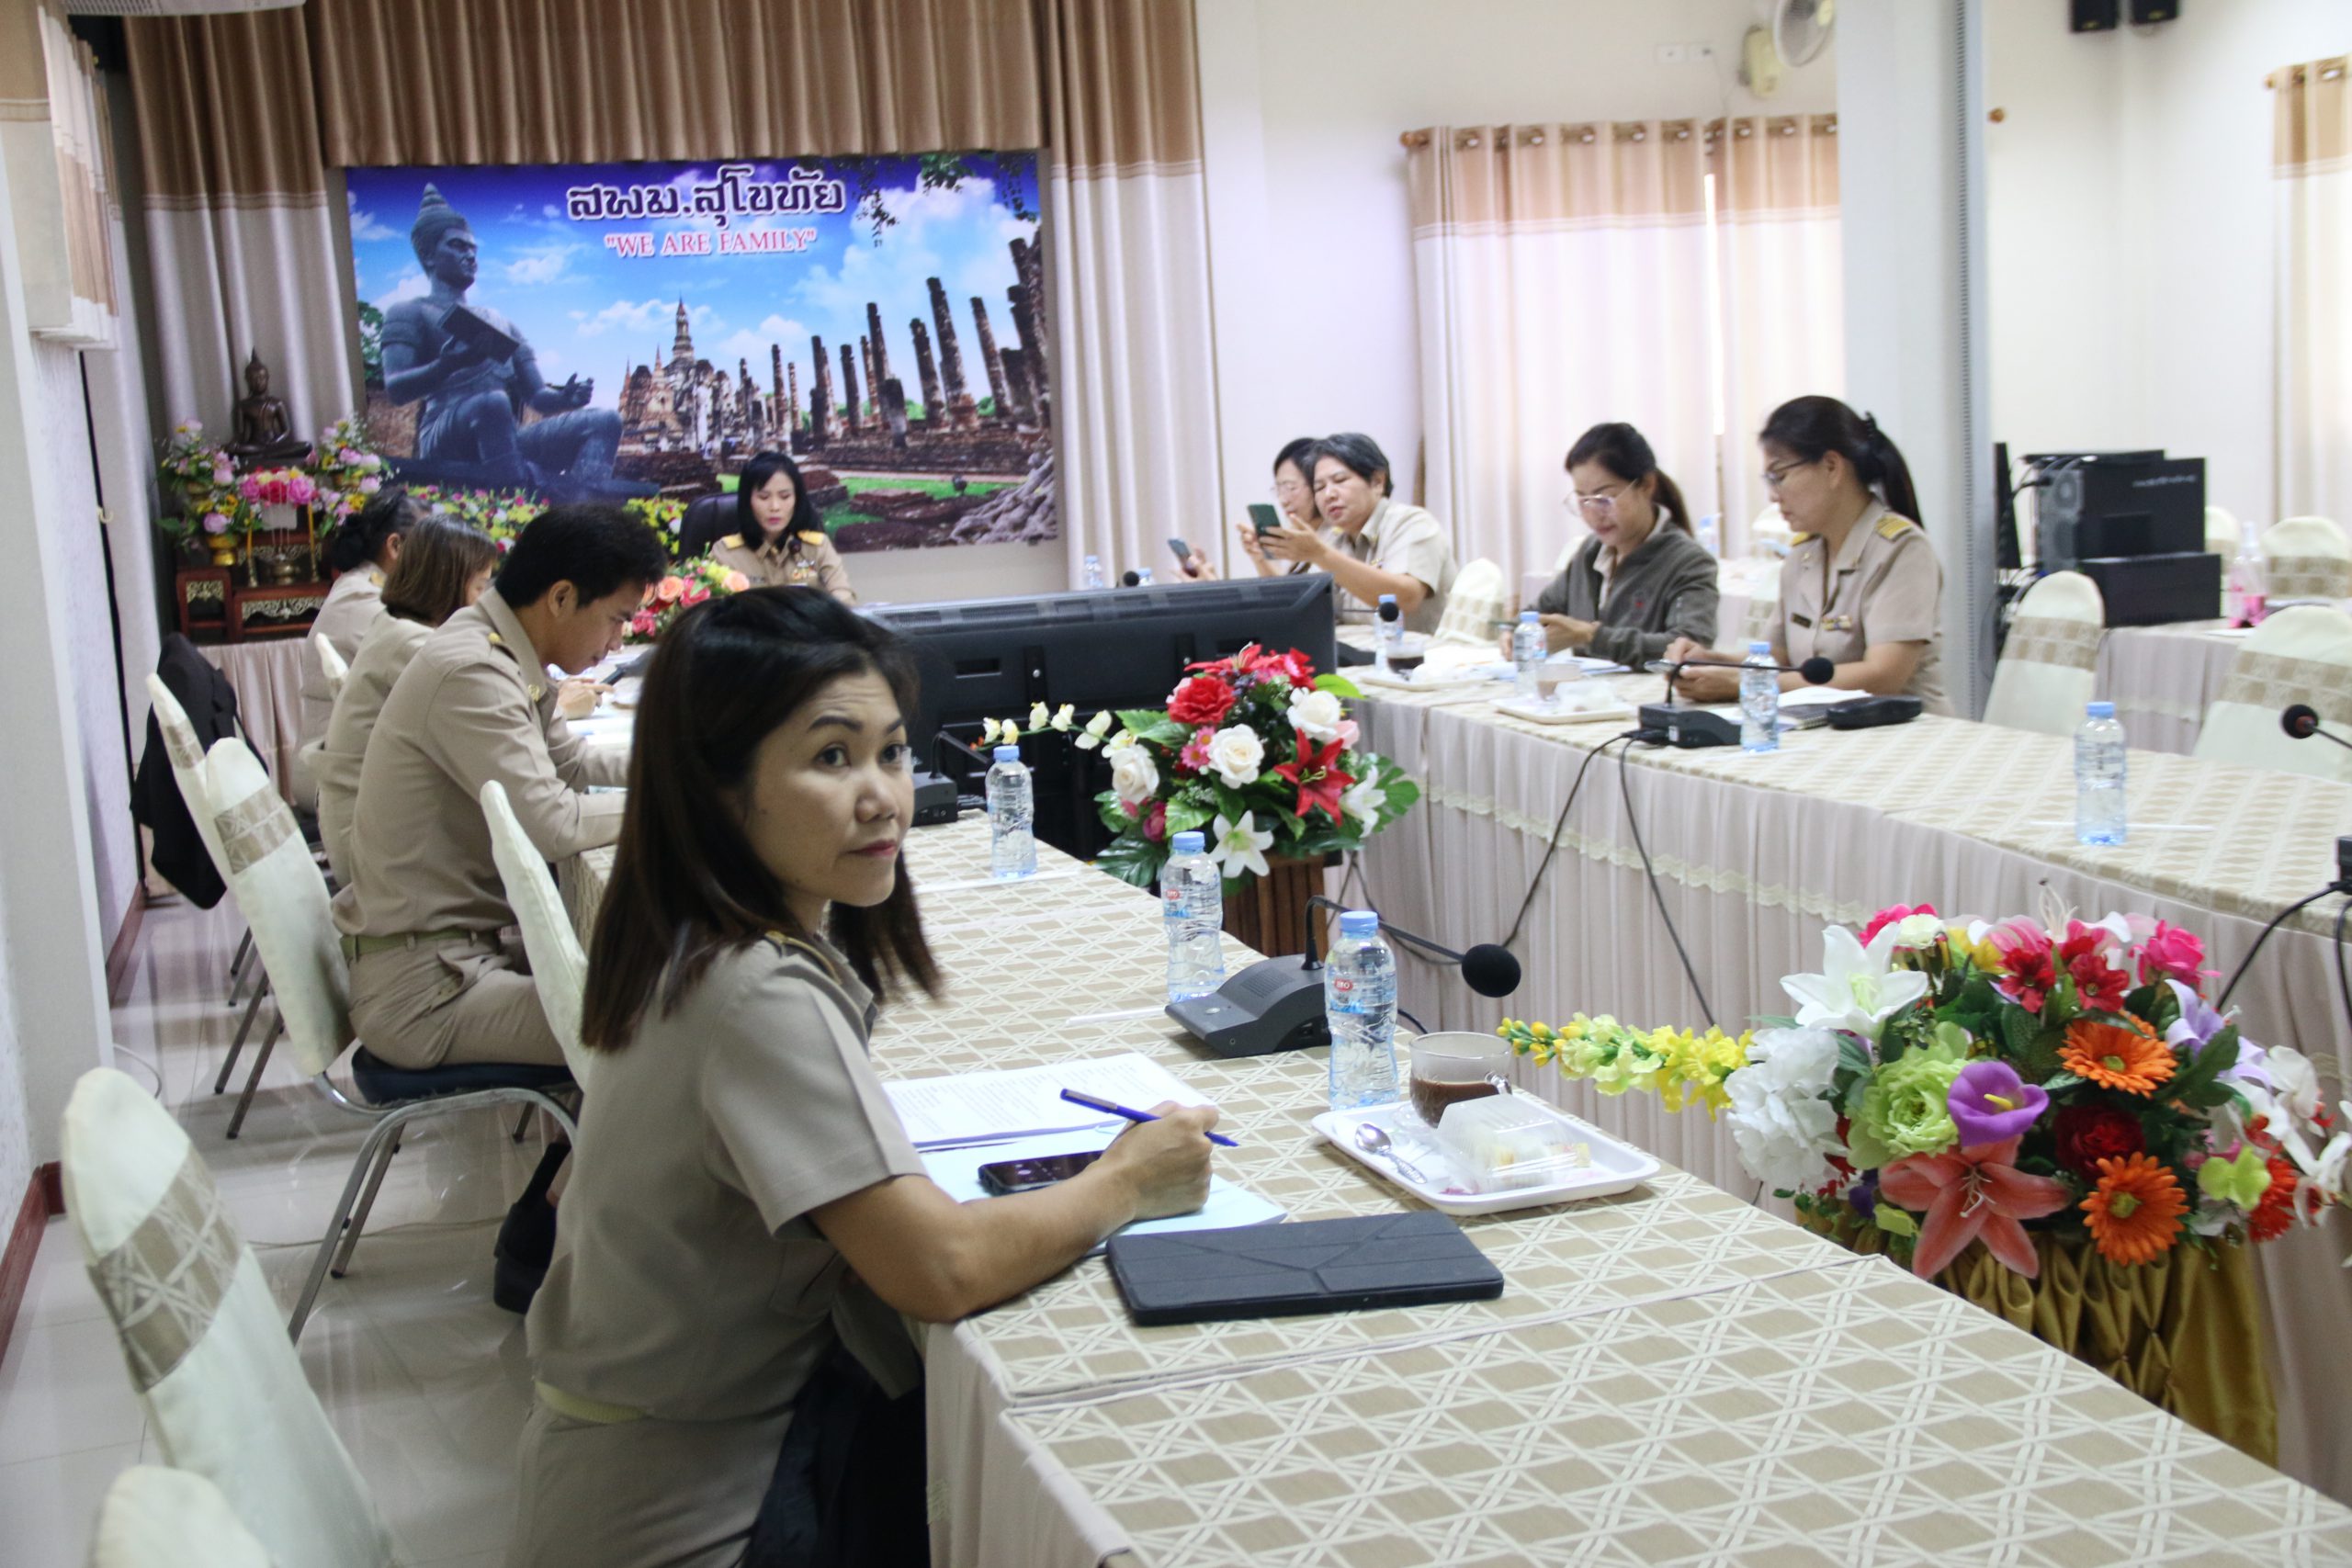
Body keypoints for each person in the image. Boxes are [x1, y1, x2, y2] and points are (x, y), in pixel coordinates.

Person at [509, 588, 1218, 1568]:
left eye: (890, 752)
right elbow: (941, 1270)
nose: (883, 794)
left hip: (666, 1466)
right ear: (717, 788)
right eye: (832, 757)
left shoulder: (694, 936)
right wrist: (1126, 1179)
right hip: (697, 1516)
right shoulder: (752, 991)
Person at [333, 503, 669, 1072]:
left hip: (458, 956)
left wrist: (684, 765)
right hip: (427, 991)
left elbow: (572, 766)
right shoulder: (472, 669)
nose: (618, 642)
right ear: (561, 597)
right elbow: (554, 824)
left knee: (674, 993)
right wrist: (681, 806)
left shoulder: (503, 651)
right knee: (669, 1029)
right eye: (616, 619)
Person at [1664, 396, 1947, 713]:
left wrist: (1745, 683)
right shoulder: (1803, 554)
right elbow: (1777, 657)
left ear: (1831, 467)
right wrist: (1711, 662)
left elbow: (1883, 676)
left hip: (1901, 731)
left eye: (1779, 476)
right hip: (1821, 727)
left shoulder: (1901, 549)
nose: (1773, 496)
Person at [380, 185, 623, 494]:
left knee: (606, 420)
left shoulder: (501, 323)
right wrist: (446, 365)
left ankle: (585, 512)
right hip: (446, 433)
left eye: (473, 249)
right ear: (429, 255)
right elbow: (396, 389)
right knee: (493, 403)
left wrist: (565, 398)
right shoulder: (410, 312)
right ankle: (512, 508)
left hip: (504, 438)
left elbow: (537, 396)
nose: (470, 256)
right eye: (457, 247)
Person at [312, 517, 499, 886]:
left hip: (368, 823)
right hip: (376, 852)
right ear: (447, 583)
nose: (485, 603)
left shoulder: (397, 625)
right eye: (480, 587)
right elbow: (491, 727)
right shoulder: (415, 645)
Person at [1515, 423, 1718, 668]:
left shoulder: (1689, 561)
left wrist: (1591, 637)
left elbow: (1690, 649)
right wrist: (1517, 632)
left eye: (1604, 498)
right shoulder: (1590, 553)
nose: (1593, 513)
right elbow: (1538, 614)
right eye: (1583, 500)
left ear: (1646, 485)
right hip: (1586, 691)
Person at [295, 488, 421, 807]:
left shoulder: (365, 585)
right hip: (335, 779)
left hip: (354, 764)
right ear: (395, 546)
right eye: (430, 546)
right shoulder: (364, 600)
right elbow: (429, 675)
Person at [1258, 434, 1456, 633]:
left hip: (1419, 650)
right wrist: (1261, 558)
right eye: (1319, 487)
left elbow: (1405, 599)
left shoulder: (1412, 523)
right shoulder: (1334, 538)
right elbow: (1302, 607)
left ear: (1377, 482)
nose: (1329, 495)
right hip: (1356, 649)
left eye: (1340, 480)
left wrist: (1321, 554)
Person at [704, 449, 855, 601]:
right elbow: (711, 610)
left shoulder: (817, 547)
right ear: (747, 501)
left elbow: (844, 595)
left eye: (785, 496)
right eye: (764, 497)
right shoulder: (725, 554)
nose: (775, 507)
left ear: (797, 499)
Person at [1182, 436, 1320, 581]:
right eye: (1279, 490)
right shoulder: (1295, 545)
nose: (1283, 500)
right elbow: (1279, 592)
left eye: (1291, 487)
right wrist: (1259, 557)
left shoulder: (1331, 541)